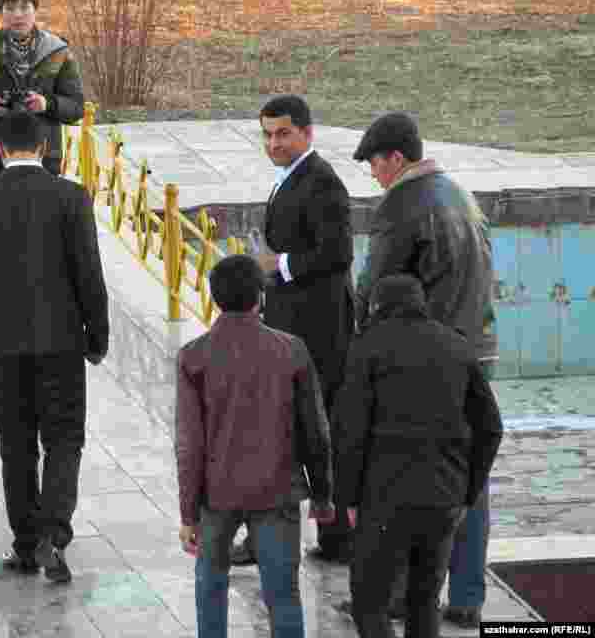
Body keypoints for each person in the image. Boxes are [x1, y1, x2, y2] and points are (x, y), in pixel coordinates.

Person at [0, 111, 109, 584]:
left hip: (1, 345)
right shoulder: (70, 196)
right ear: (43, 149)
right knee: (63, 439)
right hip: (60, 342)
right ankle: (53, 536)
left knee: (16, 445)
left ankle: (22, 542)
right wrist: (95, 337)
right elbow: (89, 276)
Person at [352, 112, 499, 627]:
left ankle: (399, 591)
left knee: (405, 471)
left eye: (373, 163)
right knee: (469, 475)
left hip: (426, 360)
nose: (372, 174)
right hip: (475, 352)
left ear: (394, 158)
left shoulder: (403, 204)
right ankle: (467, 594)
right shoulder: (462, 194)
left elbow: (374, 285)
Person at [333, 274, 503, 638]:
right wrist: (467, 493)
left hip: (383, 500)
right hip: (443, 501)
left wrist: (347, 497)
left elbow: (349, 431)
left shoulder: (367, 347)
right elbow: (490, 428)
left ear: (378, 307)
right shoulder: (457, 347)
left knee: (369, 601)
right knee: (424, 601)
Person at [176, 254, 335, 638]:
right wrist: (322, 494)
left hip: (217, 495)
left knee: (210, 587)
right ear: (260, 297)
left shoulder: (193, 357)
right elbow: (315, 429)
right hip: (278, 492)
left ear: (214, 299)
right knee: (283, 595)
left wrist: (187, 514)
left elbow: (189, 444)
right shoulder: (292, 350)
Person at [234, 94, 354, 567]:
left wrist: (277, 264)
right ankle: (326, 536)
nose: (273, 143)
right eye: (266, 134)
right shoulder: (294, 179)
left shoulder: (322, 183)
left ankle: (308, 536)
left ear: (307, 133)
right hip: (293, 329)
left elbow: (337, 253)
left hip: (316, 335)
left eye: (282, 133)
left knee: (302, 436)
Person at [0, 0, 84, 177]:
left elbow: (76, 107)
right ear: (1, 12)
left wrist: (47, 104)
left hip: (46, 158)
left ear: (35, 9)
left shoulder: (58, 53)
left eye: (24, 7)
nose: (18, 14)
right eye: (9, 8)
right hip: (0, 158)